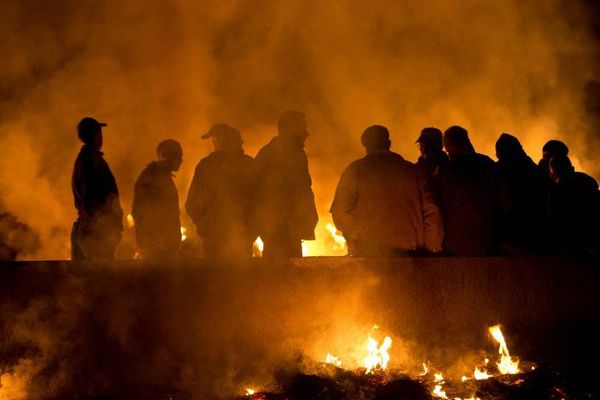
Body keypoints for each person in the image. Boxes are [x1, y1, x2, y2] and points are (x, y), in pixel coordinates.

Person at [330, 125, 443, 257]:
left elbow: (340, 210)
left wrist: (356, 239)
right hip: (409, 253)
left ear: (365, 146)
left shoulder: (355, 171)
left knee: (371, 279)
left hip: (370, 252)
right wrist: (431, 249)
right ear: (388, 143)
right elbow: (431, 210)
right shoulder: (413, 171)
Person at [186, 124, 257, 260]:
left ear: (219, 142)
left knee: (215, 277)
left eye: (214, 140)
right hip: (243, 236)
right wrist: (252, 229)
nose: (213, 143)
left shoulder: (207, 166)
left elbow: (192, 203)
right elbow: (261, 201)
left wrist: (203, 226)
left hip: (214, 237)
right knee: (242, 278)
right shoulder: (250, 165)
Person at [254, 111, 318, 258]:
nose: (306, 133)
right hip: (278, 228)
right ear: (291, 128)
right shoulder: (274, 154)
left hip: (288, 227)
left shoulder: (295, 154)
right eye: (303, 127)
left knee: (287, 273)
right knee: (280, 272)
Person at [437, 126, 504, 256]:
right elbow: (503, 201)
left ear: (449, 146)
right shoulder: (487, 165)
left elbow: (439, 205)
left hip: (456, 244)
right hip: (487, 242)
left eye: (447, 147)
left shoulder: (447, 172)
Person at [71, 117, 123, 260]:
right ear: (95, 136)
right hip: (98, 233)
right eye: (99, 133)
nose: (101, 137)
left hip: (96, 230)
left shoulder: (85, 159)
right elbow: (91, 195)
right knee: (102, 273)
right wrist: (103, 225)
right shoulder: (91, 161)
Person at [132, 139, 183, 260]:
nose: (181, 160)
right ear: (166, 156)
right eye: (178, 155)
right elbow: (140, 212)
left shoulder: (160, 176)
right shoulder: (152, 178)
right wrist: (157, 243)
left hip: (164, 247)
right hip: (156, 249)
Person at [495, 133, 546, 253]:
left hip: (511, 235)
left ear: (499, 153)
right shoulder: (534, 170)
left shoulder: (498, 172)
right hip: (536, 234)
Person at [547, 154, 600, 255]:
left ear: (551, 174)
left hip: (575, 240)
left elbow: (554, 218)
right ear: (572, 168)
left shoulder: (556, 191)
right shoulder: (588, 180)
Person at [415, 127, 448, 192]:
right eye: (422, 145)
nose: (425, 149)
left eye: (430, 145)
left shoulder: (449, 171)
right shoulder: (416, 170)